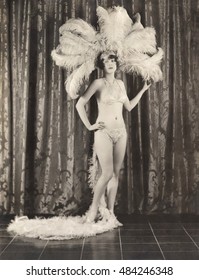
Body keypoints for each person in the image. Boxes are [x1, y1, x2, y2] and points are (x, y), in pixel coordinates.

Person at [76, 52, 151, 224]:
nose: (110, 63)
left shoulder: (120, 84)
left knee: (115, 174)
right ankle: (93, 210)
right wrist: (89, 126)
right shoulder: (98, 83)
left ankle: (110, 213)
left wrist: (143, 89)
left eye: (112, 60)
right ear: (101, 65)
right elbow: (80, 103)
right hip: (104, 132)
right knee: (107, 173)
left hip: (121, 132)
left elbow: (129, 107)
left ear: (116, 64)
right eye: (106, 61)